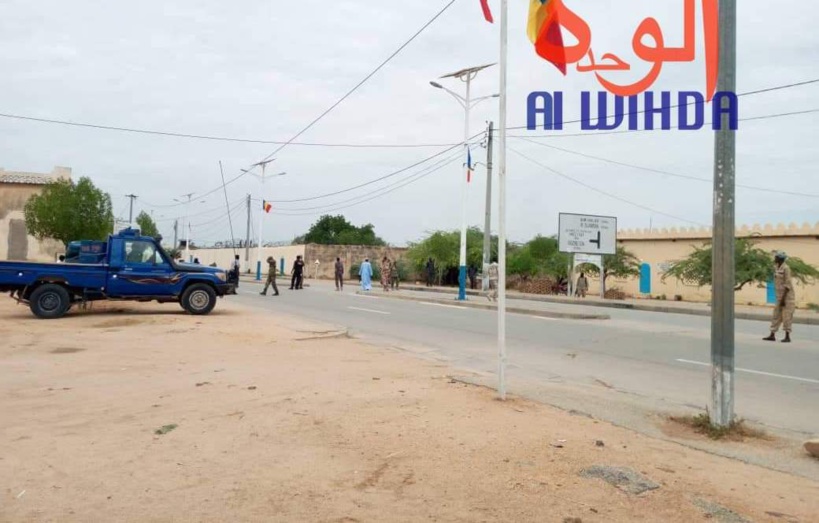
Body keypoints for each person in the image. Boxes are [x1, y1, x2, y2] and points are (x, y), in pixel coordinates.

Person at [764, 252, 795, 343]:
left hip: (787, 297)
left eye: (776, 257)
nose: (775, 258)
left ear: (781, 259)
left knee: (787, 316)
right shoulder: (776, 268)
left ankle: (787, 336)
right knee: (776, 315)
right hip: (779, 296)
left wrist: (783, 299)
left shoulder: (786, 268)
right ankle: (772, 335)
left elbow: (787, 285)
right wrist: (779, 299)